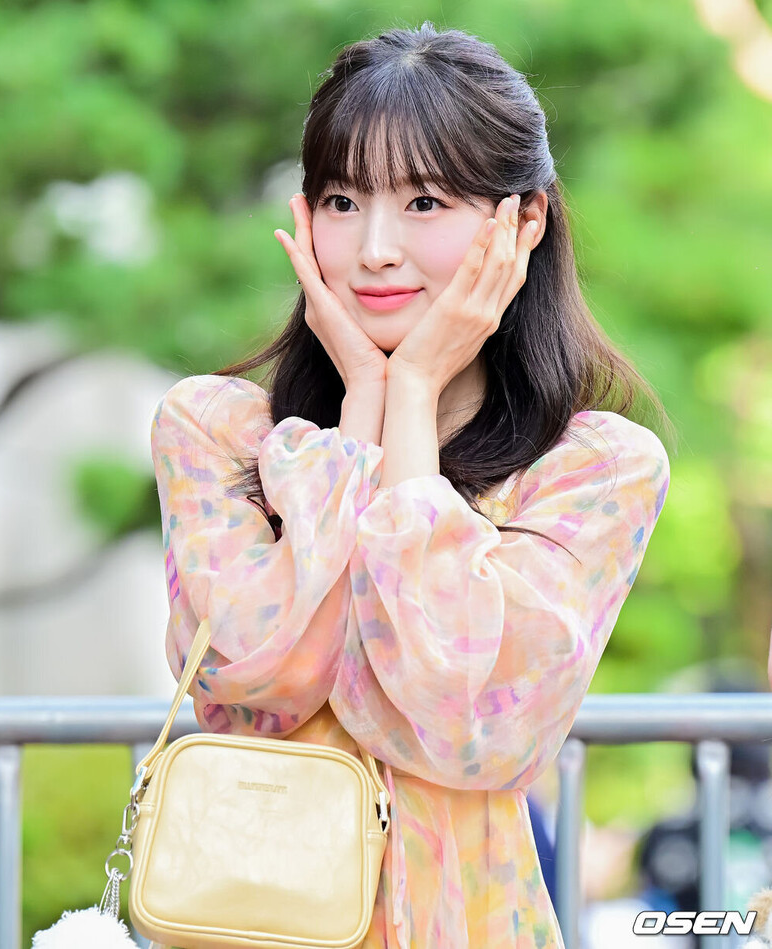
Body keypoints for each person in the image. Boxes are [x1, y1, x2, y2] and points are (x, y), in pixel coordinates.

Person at [149, 21, 673, 949]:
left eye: (425, 201)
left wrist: (418, 393)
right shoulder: (215, 429)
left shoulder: (593, 470)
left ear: (524, 220)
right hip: (250, 924)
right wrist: (362, 418)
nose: (375, 248)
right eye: (343, 200)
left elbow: (466, 726)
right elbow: (258, 693)